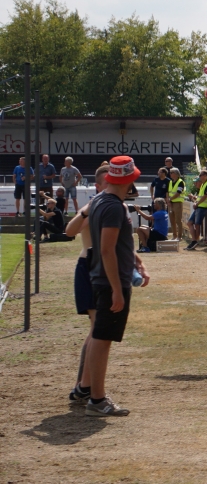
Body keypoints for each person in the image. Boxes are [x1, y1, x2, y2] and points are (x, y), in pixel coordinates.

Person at [85, 155, 150, 416]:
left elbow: (113, 245)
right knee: (102, 339)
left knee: (99, 337)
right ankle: (97, 399)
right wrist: (116, 289)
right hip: (110, 280)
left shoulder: (100, 200)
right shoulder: (114, 206)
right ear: (129, 178)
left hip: (103, 277)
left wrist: (135, 260)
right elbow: (107, 249)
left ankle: (91, 392)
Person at [65, 163, 108, 408]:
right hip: (89, 267)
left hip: (99, 268)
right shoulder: (93, 206)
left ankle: (85, 384)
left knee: (97, 330)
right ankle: (84, 386)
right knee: (97, 329)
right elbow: (70, 231)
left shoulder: (114, 205)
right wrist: (85, 213)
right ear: (98, 185)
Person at [185, 170, 207, 250]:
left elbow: (205, 196)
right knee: (190, 223)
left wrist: (197, 203)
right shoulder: (203, 184)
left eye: (202, 175)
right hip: (199, 206)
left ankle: (195, 241)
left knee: (197, 224)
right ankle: (194, 240)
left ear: (206, 176)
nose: (200, 177)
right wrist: (196, 202)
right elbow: (201, 196)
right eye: (200, 175)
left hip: (203, 206)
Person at [166, 168, 185, 240]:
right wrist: (168, 200)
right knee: (172, 220)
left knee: (178, 220)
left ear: (176, 174)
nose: (170, 174)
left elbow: (178, 192)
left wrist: (170, 199)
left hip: (177, 203)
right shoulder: (170, 182)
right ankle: (174, 235)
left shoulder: (181, 182)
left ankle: (179, 236)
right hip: (171, 203)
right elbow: (167, 192)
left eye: (172, 173)